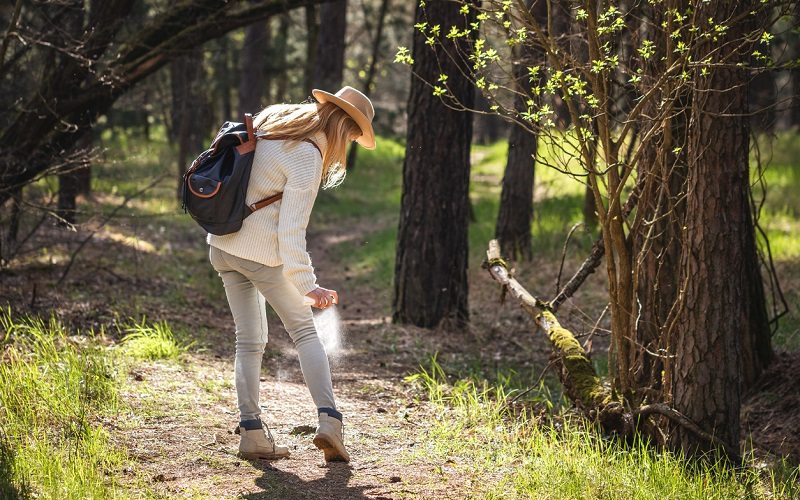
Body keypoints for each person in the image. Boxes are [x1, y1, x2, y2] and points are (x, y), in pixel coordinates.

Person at [207, 86, 375, 462]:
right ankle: (330, 421)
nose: (346, 145)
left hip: (222, 245)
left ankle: (251, 433)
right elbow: (290, 232)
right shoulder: (307, 155)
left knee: (248, 342)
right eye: (350, 136)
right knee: (304, 332)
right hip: (261, 256)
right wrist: (308, 285)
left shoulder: (272, 121)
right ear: (345, 128)